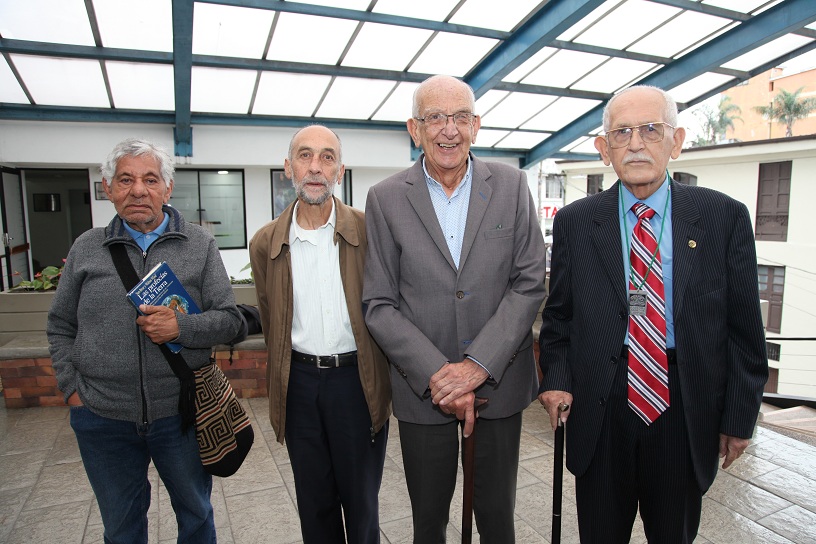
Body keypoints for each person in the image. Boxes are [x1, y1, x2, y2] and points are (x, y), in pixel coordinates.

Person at [538, 85, 768, 543]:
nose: (636, 144)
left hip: (684, 406)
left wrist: (739, 419)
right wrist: (557, 379)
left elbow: (745, 331)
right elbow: (559, 318)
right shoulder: (575, 222)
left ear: (676, 141)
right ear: (604, 149)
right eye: (621, 133)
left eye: (650, 129)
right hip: (601, 406)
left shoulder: (723, 217)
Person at [363, 75, 547, 543]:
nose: (450, 129)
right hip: (424, 394)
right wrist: (439, 376)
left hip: (498, 388)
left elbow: (529, 282)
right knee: (428, 524)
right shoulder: (385, 198)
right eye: (435, 118)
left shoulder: (511, 184)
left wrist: (478, 365)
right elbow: (379, 303)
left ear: (476, 125)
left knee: (498, 521)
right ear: (415, 129)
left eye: (461, 117)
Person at [47, 138, 243, 543]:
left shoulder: (199, 244)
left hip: (180, 414)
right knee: (121, 527)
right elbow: (60, 325)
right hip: (102, 416)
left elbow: (229, 321)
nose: (138, 190)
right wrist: (73, 391)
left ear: (167, 188)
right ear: (108, 188)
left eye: (150, 179)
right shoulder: (86, 248)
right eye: (126, 180)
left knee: (196, 515)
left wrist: (181, 328)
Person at [249, 125, 391, 544]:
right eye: (305, 155)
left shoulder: (369, 231)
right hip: (299, 386)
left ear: (340, 171)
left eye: (327, 157)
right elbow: (270, 317)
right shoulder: (265, 243)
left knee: (362, 506)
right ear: (288, 167)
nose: (316, 167)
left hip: (356, 384)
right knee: (314, 508)